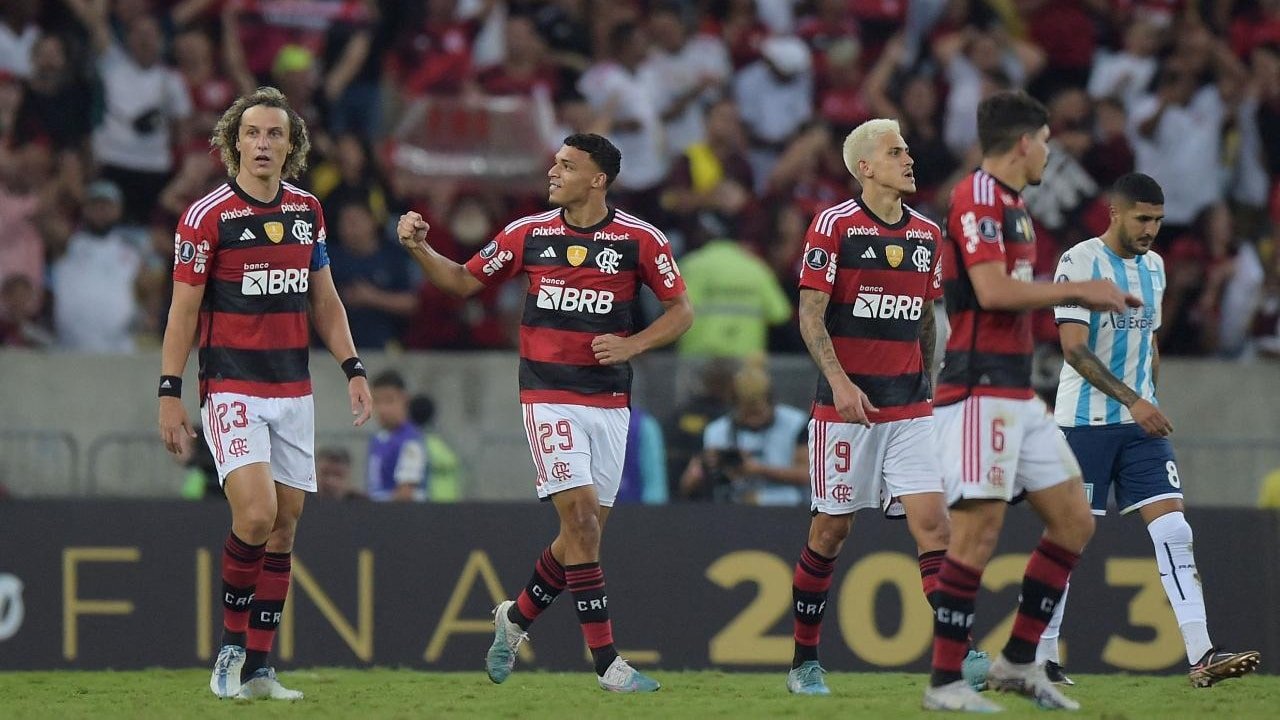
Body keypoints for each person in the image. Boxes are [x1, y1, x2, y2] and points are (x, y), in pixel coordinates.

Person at [396, 133, 693, 692]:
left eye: (567, 165)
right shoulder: (528, 233)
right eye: (555, 163)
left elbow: (682, 311)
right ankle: (608, 664)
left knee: (580, 539)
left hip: (609, 402)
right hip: (547, 394)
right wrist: (419, 249)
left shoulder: (639, 240)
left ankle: (516, 620)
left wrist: (634, 345)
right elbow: (462, 280)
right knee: (580, 521)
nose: (553, 172)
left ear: (598, 178)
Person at [924, 90, 1140, 712]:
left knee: (1074, 520)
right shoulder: (978, 197)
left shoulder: (1016, 206)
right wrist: (1080, 290)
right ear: (1023, 142)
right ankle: (944, 684)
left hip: (1016, 389)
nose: (1051, 151)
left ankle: (1018, 661)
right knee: (977, 535)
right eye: (1046, 140)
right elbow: (990, 291)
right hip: (976, 389)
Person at [157, 86, 372, 702]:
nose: (263, 144)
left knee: (285, 528)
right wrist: (169, 394)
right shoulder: (206, 217)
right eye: (252, 133)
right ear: (232, 144)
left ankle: (257, 667)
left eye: (275, 134)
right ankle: (228, 650)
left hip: (293, 389)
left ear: (291, 147)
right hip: (232, 389)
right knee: (255, 515)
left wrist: (353, 367)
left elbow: (324, 299)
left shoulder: (307, 211)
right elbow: (182, 312)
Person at [1040, 172, 1260, 687]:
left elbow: (1151, 343)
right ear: (1114, 213)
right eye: (1142, 218)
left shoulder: (1156, 268)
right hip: (1084, 424)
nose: (1151, 229)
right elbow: (1073, 348)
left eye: (1157, 220)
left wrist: (1149, 399)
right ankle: (1042, 657)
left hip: (1140, 429)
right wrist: (1135, 400)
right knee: (1067, 541)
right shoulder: (1078, 261)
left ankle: (1202, 655)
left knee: (1174, 531)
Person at [784, 118, 950, 695]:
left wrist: (929, 383)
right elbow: (809, 315)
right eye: (895, 151)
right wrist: (840, 381)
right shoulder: (835, 226)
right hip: (845, 408)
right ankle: (805, 661)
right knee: (831, 532)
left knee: (934, 525)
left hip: (909, 406)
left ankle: (959, 655)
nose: (909, 158)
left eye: (907, 148)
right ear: (866, 167)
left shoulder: (927, 234)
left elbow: (926, 317)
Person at [679, 360, 808, 505]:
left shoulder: (796, 424)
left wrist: (759, 469)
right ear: (734, 405)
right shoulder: (717, 431)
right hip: (732, 505)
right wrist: (703, 470)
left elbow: (808, 475)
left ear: (771, 402)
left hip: (788, 506)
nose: (753, 421)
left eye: (757, 413)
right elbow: (689, 487)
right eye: (746, 414)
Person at [367, 370, 427, 502]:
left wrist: (370, 504)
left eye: (389, 401)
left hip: (401, 517)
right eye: (377, 401)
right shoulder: (377, 440)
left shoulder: (410, 441)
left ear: (405, 400)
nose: (382, 409)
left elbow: (406, 494)